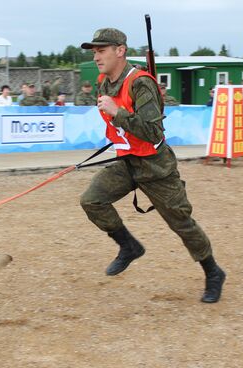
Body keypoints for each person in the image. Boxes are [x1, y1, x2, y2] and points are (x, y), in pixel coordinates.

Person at [79, 28, 225, 303]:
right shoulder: (104, 82)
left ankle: (213, 272)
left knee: (181, 224)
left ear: (120, 50)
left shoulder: (140, 83)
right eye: (94, 51)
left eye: (101, 50)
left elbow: (153, 132)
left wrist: (118, 112)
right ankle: (129, 246)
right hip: (128, 161)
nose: (96, 56)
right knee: (92, 200)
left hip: (155, 166)